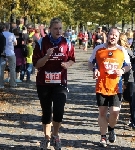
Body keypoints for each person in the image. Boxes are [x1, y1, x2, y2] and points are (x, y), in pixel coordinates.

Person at [32, 17, 75, 150]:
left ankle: (55, 135)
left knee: (59, 110)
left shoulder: (66, 42)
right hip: (43, 82)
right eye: (55, 28)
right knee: (46, 111)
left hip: (60, 82)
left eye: (60, 28)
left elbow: (72, 59)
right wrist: (46, 56)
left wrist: (67, 64)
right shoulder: (41, 42)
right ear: (50, 29)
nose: (58, 31)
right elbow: (36, 64)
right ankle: (46, 138)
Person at [88, 27, 131, 147]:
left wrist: (122, 70)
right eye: (111, 35)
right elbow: (90, 63)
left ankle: (111, 128)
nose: (113, 37)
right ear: (108, 35)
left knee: (114, 112)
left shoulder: (122, 50)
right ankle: (103, 136)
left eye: (115, 36)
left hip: (116, 87)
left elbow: (128, 65)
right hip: (101, 85)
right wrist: (94, 69)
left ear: (118, 38)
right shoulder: (98, 48)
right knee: (102, 112)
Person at [3, 23, 17, 87]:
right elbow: (15, 43)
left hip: (3, 53)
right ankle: (13, 83)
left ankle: (1, 84)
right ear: (9, 28)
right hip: (11, 53)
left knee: (1, 69)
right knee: (12, 69)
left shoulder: (1, 34)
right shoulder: (12, 35)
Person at [0, 22, 6, 89]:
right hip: (1, 54)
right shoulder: (2, 37)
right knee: (1, 70)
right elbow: (2, 47)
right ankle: (1, 84)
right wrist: (4, 55)